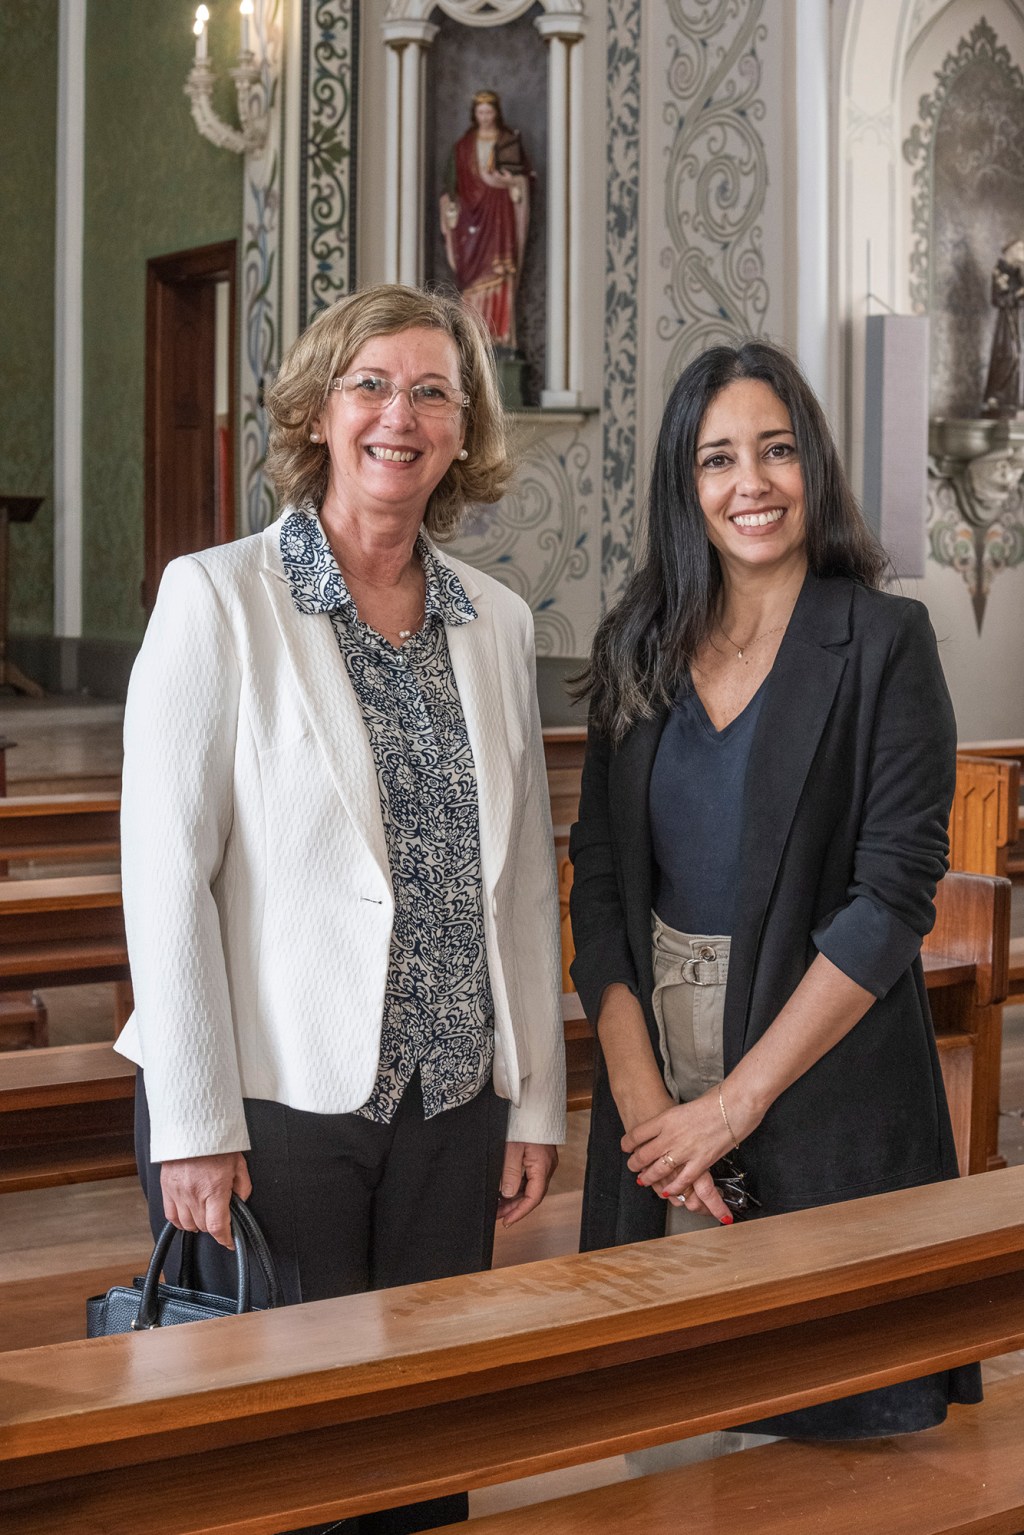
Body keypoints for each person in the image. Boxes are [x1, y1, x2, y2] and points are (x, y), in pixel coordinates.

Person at [118, 283, 565, 1535]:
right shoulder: (218, 598)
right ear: (320, 408)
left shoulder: (497, 622)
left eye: (434, 390)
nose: (400, 415)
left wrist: (530, 1092)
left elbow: (523, 880)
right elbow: (166, 879)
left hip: (449, 1100)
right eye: (373, 383)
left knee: (425, 1434)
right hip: (273, 1099)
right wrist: (193, 1120)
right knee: (289, 1442)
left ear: (463, 424)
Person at [569, 340, 981, 1453]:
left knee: (814, 1443)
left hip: (816, 1068)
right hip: (653, 1078)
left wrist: (733, 1104)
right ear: (682, 485)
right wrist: (651, 1108)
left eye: (775, 450)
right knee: (660, 1431)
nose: (750, 483)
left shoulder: (884, 640)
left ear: (814, 467)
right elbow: (599, 888)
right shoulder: (636, 646)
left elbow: (891, 899)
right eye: (716, 459)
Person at [440, 90, 531, 348]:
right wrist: (450, 207)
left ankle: (499, 334)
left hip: (500, 216)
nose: (485, 117)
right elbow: (451, 186)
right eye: (481, 113)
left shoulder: (507, 140)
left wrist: (511, 182)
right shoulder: (463, 146)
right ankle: (472, 336)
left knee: (501, 271)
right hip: (470, 221)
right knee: (472, 277)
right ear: (474, 115)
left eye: (489, 112)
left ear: (496, 113)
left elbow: (521, 178)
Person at [982, 237, 1024, 418]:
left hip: (1016, 318)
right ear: (1010, 250)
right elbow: (998, 299)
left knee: (1017, 357)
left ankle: (1010, 399)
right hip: (1006, 320)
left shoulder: (1017, 272)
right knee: (1009, 355)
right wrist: (1017, 295)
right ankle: (995, 397)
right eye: (1019, 248)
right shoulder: (999, 272)